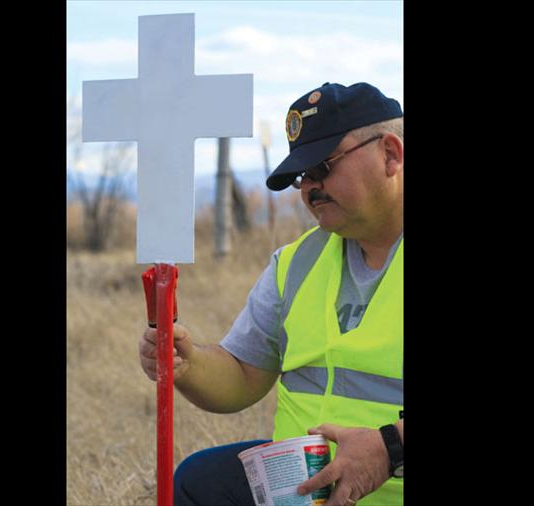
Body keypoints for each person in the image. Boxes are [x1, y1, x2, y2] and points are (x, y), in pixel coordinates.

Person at [139, 82, 404, 505]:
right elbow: (243, 375)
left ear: (390, 154)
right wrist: (186, 364)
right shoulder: (296, 264)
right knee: (198, 482)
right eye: (301, 176)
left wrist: (390, 447)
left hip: (391, 487)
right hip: (302, 491)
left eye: (322, 166)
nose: (309, 188)